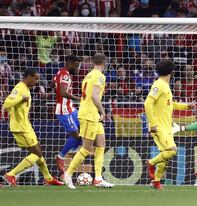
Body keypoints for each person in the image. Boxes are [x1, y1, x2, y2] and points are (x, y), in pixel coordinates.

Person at [2, 69, 63, 186]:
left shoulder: (26, 89)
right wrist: (20, 98)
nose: (36, 81)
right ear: (29, 77)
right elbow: (6, 105)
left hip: (26, 125)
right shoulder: (19, 88)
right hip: (20, 127)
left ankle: (48, 178)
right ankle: (11, 175)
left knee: (38, 152)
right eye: (35, 79)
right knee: (37, 153)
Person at [63, 53, 114, 189]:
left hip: (92, 115)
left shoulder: (88, 75)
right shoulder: (100, 77)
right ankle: (68, 174)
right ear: (105, 62)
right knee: (86, 148)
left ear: (93, 62)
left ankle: (98, 178)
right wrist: (103, 111)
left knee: (101, 144)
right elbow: (94, 95)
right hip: (89, 115)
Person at [144, 60, 194, 190]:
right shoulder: (159, 84)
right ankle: (150, 163)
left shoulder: (165, 85)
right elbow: (147, 103)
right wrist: (153, 123)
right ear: (172, 71)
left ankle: (156, 181)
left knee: (165, 155)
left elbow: (170, 104)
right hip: (159, 126)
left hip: (166, 127)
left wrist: (186, 107)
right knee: (172, 151)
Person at [53, 55, 82, 178]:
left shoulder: (62, 72)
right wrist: (80, 99)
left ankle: (74, 149)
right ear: (70, 64)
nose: (77, 69)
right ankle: (61, 156)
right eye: (76, 66)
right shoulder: (65, 75)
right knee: (76, 135)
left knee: (84, 129)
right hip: (64, 110)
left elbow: (53, 82)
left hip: (71, 108)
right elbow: (62, 92)